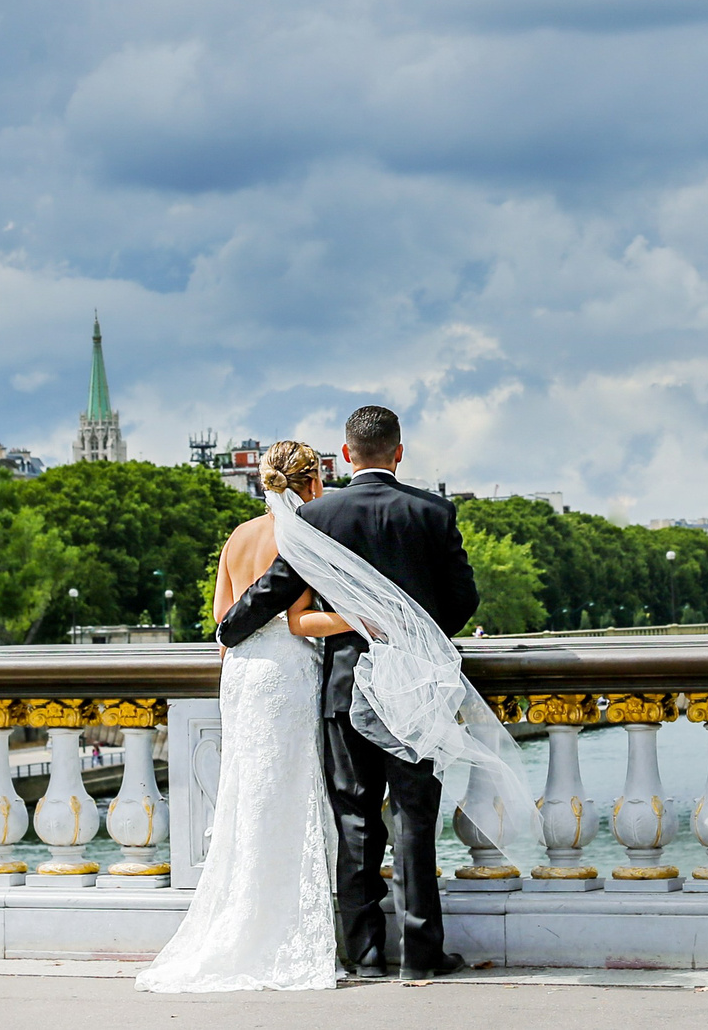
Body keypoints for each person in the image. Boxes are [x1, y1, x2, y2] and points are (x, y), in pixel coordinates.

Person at [214, 406, 482, 982]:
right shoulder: (433, 512)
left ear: (348, 455)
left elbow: (277, 587)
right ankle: (420, 957)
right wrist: (414, 634)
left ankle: (362, 955)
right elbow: (463, 600)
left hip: (344, 686)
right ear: (399, 452)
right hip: (413, 687)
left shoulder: (319, 514)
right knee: (415, 819)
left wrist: (229, 629)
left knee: (357, 820)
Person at [136, 440, 349, 993]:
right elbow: (300, 623)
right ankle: (282, 931)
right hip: (285, 673)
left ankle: (240, 921)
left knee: (246, 798)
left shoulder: (238, 536)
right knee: (291, 797)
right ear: (314, 482)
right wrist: (356, 619)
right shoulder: (301, 538)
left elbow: (220, 617)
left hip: (243, 675)